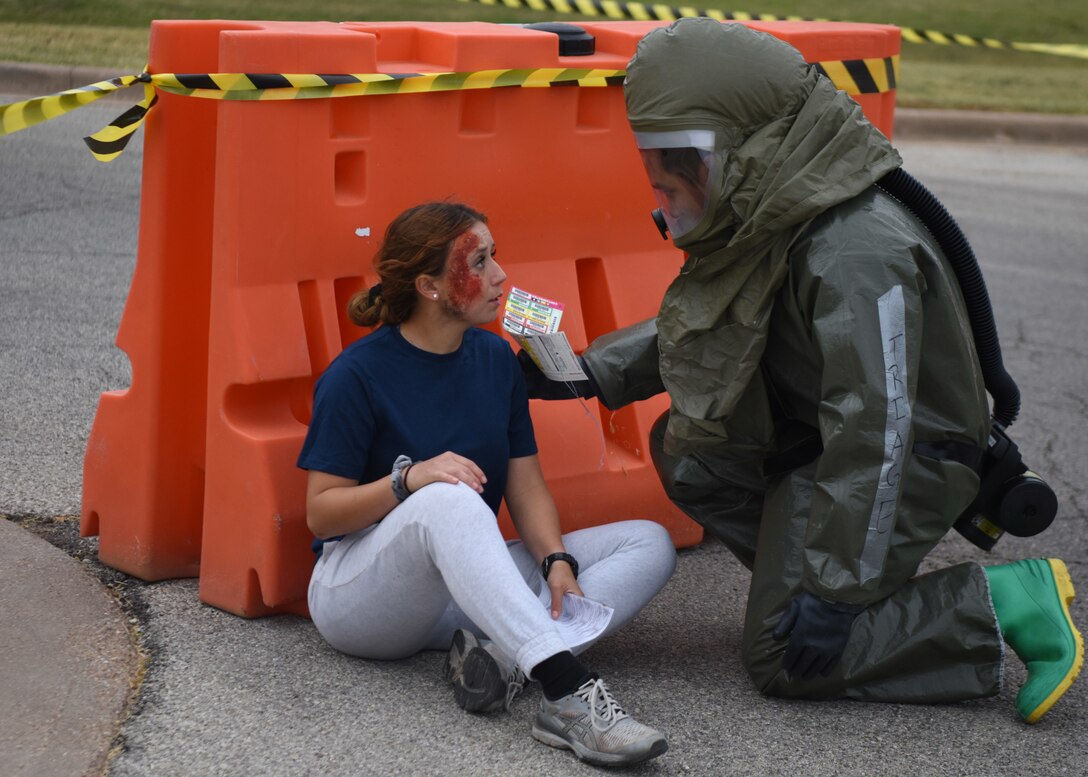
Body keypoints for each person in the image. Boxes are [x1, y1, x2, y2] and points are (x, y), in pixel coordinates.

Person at [524, 19, 1083, 722]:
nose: (668, 190)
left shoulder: (853, 248)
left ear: (749, 146)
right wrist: (586, 372)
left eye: (682, 163)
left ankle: (1004, 604)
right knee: (688, 450)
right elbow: (713, 326)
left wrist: (837, 583)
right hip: (826, 439)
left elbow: (878, 429)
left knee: (783, 657)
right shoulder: (777, 209)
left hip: (910, 457)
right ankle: (815, 594)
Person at [297, 201, 676, 766]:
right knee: (447, 497)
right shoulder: (357, 375)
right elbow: (321, 515)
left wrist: (556, 563)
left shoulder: (496, 358)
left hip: (462, 595)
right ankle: (567, 694)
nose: (500, 274)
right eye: (480, 260)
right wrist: (408, 481)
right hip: (363, 598)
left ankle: (501, 658)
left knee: (648, 541)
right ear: (429, 285)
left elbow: (525, 486)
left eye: (495, 254)